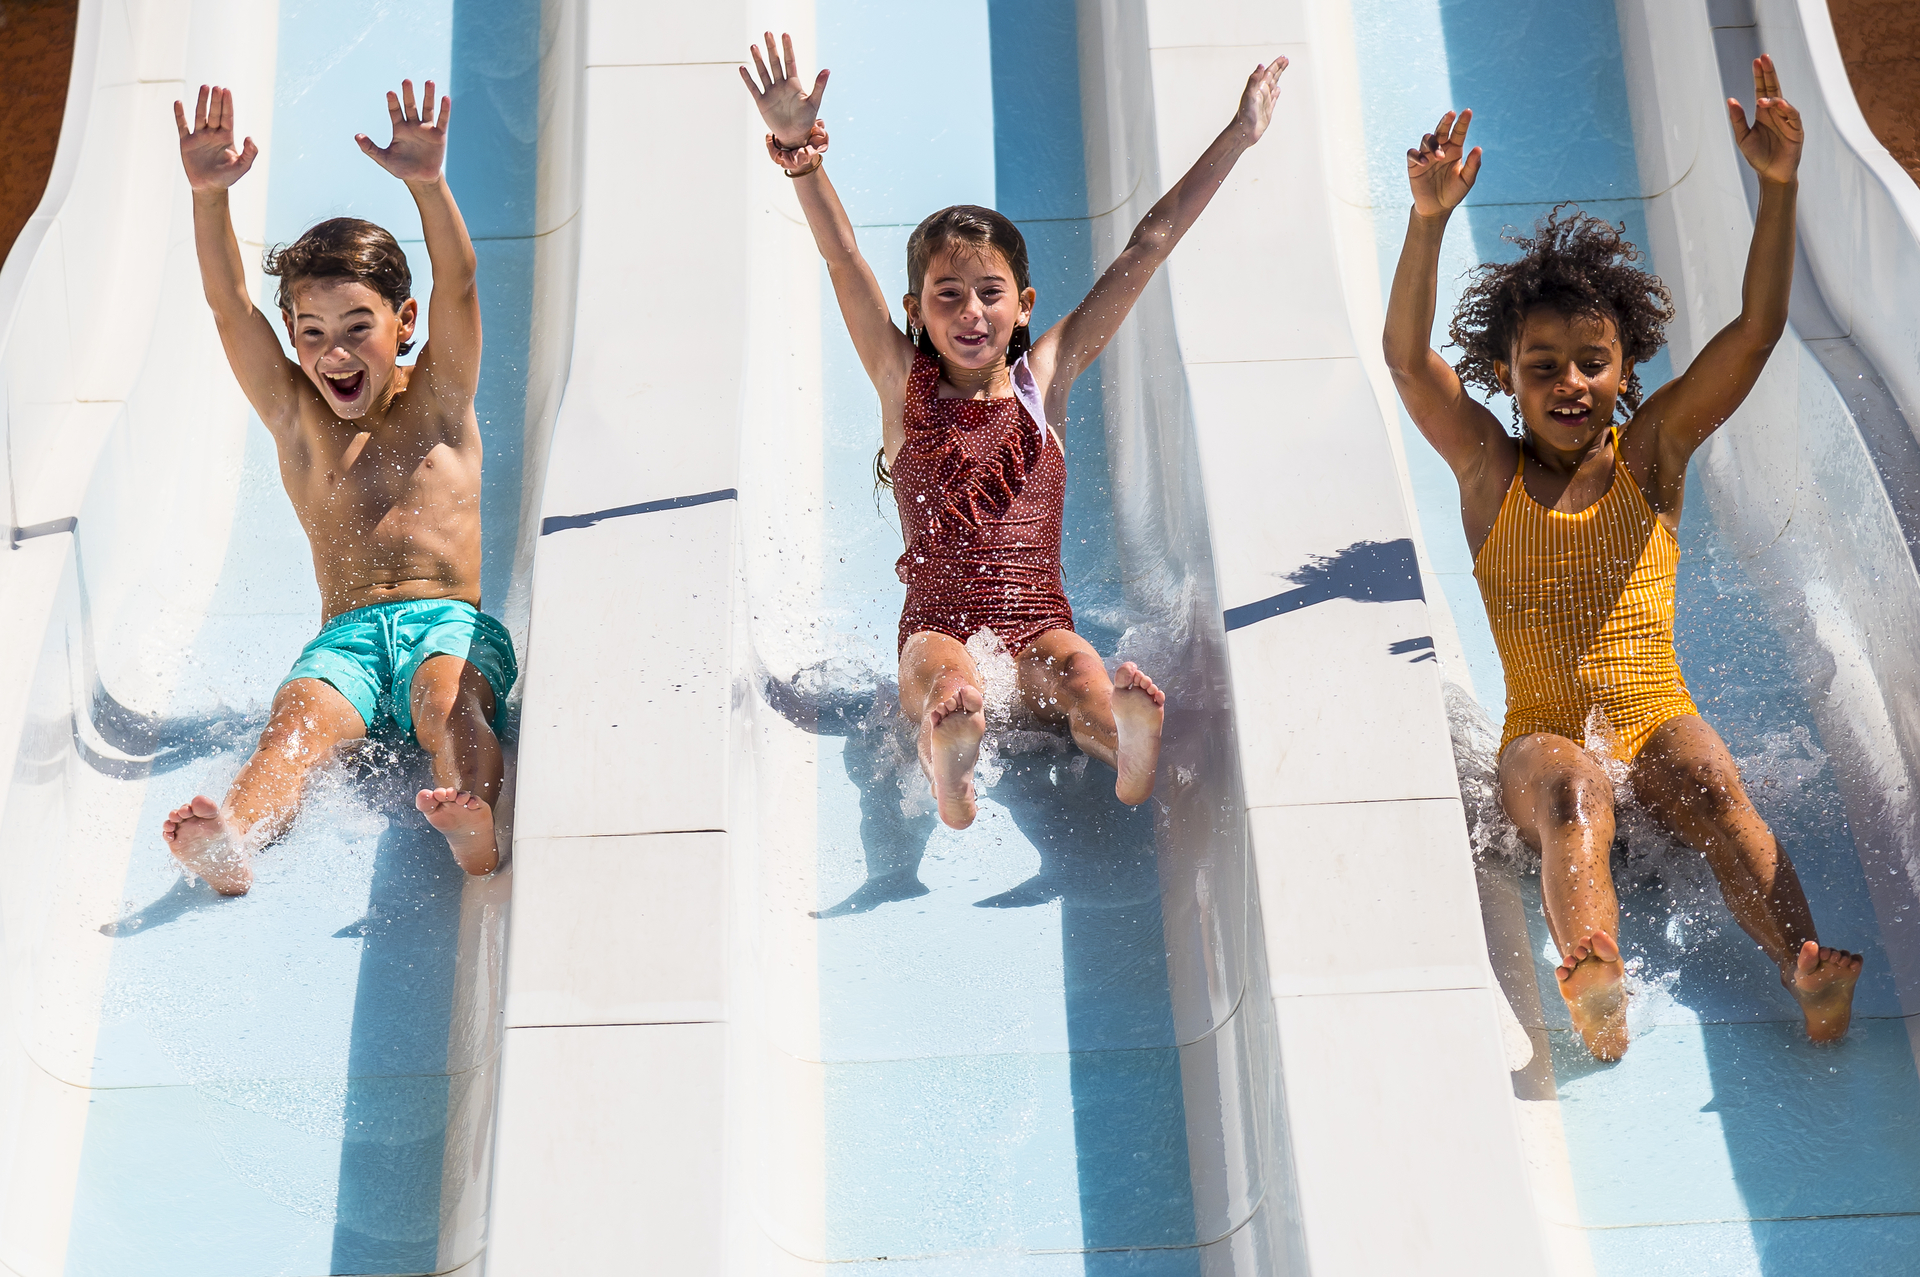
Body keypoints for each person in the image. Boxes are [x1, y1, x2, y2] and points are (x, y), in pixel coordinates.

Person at [1383, 55, 1861, 1060]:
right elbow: (1405, 361)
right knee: (1573, 794)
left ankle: (1806, 963)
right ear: (1507, 378)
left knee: (1715, 783)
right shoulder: (1485, 467)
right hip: (1542, 733)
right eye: (1542, 365)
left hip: (1653, 715)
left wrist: (1776, 190)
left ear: (1628, 369)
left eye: (1590, 362)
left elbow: (1759, 331)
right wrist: (1426, 224)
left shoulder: (1656, 453)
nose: (1568, 381)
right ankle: (1593, 969)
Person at [739, 33, 1285, 830]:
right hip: (938, 620)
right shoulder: (904, 386)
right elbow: (841, 255)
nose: (970, 313)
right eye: (947, 294)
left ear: (1023, 304)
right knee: (941, 671)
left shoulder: (1046, 382)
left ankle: (1124, 747)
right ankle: (949, 761)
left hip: (1039, 622)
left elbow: (1150, 242)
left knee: (1080, 674)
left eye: (989, 292)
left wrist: (1237, 134)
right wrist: (798, 151)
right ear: (916, 312)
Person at [160, 81, 513, 894]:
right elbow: (226, 307)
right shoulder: (297, 418)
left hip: (448, 627)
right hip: (346, 642)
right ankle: (234, 842)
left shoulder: (440, 399)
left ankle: (475, 818)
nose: (335, 353)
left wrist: (427, 184)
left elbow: (461, 284)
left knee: (448, 705)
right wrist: (209, 199)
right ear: (292, 336)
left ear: (405, 321)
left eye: (359, 327)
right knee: (294, 726)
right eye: (312, 333)